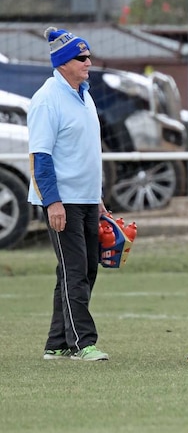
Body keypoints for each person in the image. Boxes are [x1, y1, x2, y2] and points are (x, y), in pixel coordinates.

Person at [30, 27, 109, 361]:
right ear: (63, 63)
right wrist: (53, 202)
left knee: (83, 269)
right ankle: (82, 343)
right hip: (63, 201)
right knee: (75, 270)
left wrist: (98, 197)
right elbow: (40, 157)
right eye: (82, 58)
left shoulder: (83, 93)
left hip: (87, 199)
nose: (89, 62)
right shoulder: (47, 99)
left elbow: (84, 151)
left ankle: (57, 342)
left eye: (88, 56)